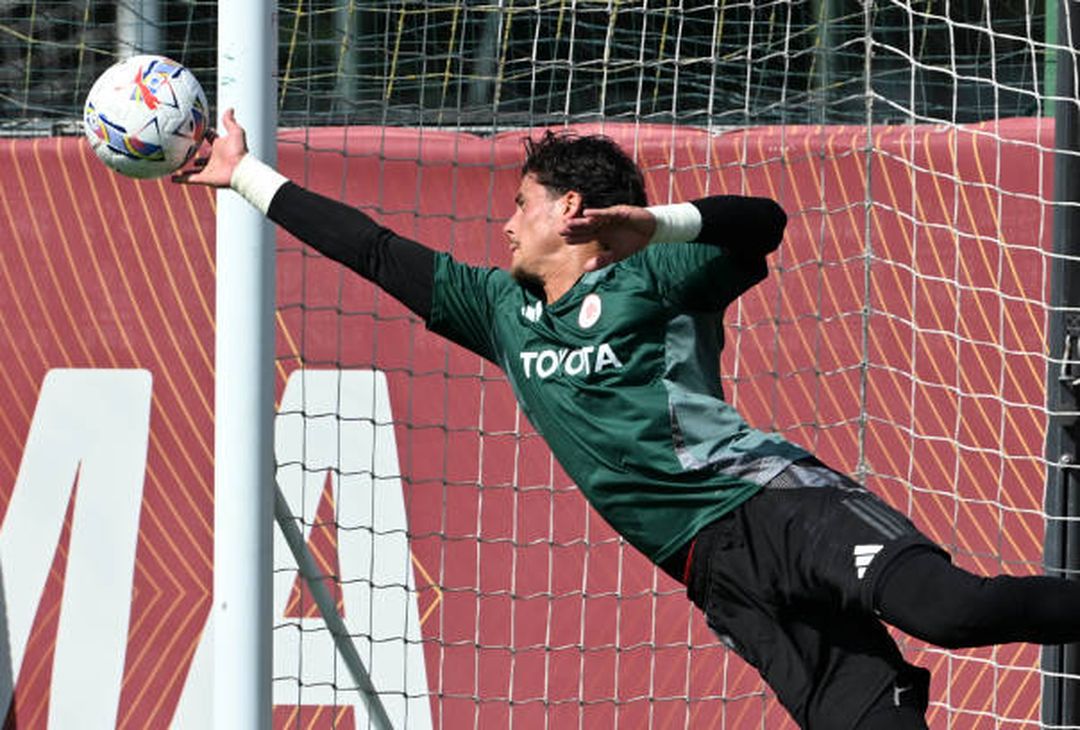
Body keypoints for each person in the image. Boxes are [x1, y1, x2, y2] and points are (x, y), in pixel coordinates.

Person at [175, 110, 1080, 730]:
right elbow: (372, 250)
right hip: (714, 575)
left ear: (571, 210)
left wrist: (664, 224)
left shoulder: (657, 275)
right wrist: (244, 174)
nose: (506, 226)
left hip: (772, 504)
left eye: (519, 205)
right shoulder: (497, 309)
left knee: (955, 611)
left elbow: (763, 224)